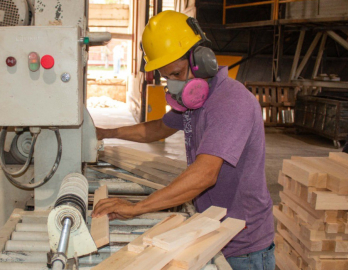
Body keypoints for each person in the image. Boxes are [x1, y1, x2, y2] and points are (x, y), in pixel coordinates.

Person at [92, 11, 275, 270]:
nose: (173, 85)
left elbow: (204, 175)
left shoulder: (231, 103)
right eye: (168, 78)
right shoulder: (194, 103)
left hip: (242, 246)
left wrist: (137, 207)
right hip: (209, 232)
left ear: (202, 60)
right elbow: (156, 129)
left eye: (177, 73)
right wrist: (107, 133)